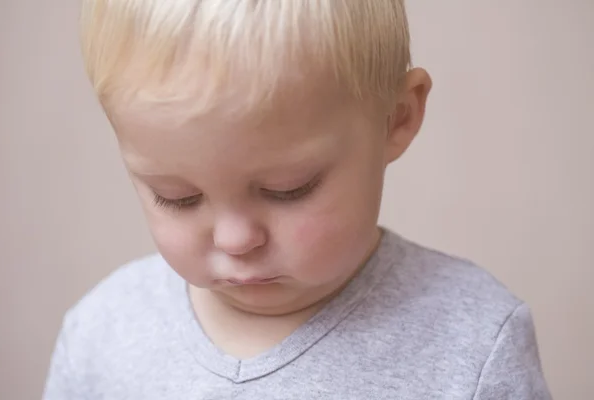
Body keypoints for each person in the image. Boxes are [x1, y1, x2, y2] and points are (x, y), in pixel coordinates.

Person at [43, 1, 552, 398]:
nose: (235, 240)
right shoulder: (101, 336)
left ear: (395, 118)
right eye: (178, 198)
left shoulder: (475, 342)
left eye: (287, 189)